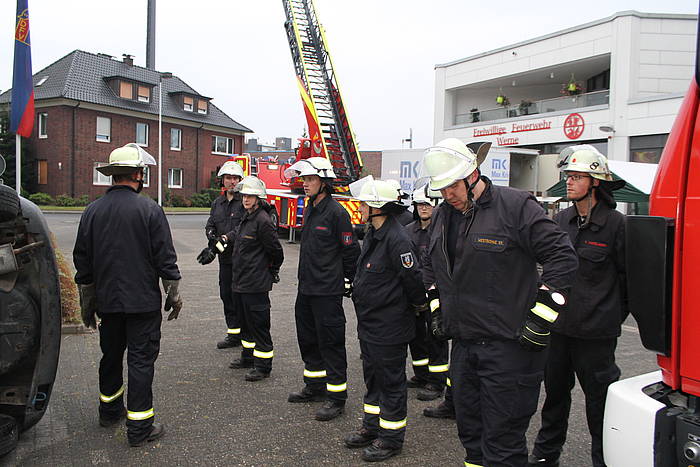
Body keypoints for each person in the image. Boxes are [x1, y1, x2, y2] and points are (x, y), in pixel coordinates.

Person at [420, 138, 578, 466]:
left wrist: (541, 319)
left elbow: (562, 257)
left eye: (453, 186)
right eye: (442, 189)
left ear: (472, 175)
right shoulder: (443, 216)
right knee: (471, 437)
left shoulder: (516, 206)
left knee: (502, 443)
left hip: (510, 350)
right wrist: (438, 308)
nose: (447, 195)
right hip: (464, 348)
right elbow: (430, 266)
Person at [73, 144, 182, 447]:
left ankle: (109, 412)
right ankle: (139, 428)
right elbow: (165, 260)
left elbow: (82, 262)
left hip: (108, 304)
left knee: (110, 356)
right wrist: (173, 296)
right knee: (140, 361)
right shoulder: (150, 210)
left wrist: (87, 303)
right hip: (142, 305)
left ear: (113, 175)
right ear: (137, 175)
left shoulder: (92, 211)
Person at [529, 146, 627, 467]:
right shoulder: (561, 220)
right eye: (568, 176)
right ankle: (546, 455)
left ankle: (604, 460)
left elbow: (629, 279)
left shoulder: (616, 225)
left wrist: (609, 316)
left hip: (596, 336)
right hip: (559, 330)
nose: (569, 182)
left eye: (576, 177)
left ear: (595, 182)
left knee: (600, 404)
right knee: (554, 397)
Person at [344, 176, 428, 463]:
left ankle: (391, 438)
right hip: (370, 324)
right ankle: (372, 427)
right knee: (374, 379)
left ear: (377, 207)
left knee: (391, 383)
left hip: (390, 327)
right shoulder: (373, 233)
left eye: (364, 204)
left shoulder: (397, 239)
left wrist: (417, 307)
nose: (360, 208)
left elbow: (412, 280)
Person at [283, 157, 360, 421]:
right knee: (308, 339)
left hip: (327, 292)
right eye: (304, 179)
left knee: (331, 344)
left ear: (324, 182)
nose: (305, 184)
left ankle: (337, 398)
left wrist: (348, 281)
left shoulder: (337, 213)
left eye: (311, 179)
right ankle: (314, 387)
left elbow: (350, 251)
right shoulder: (311, 208)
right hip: (306, 289)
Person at [224, 176, 284, 382]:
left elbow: (276, 252)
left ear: (258, 198)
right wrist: (223, 239)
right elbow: (237, 236)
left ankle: (263, 366)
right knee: (246, 324)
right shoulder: (247, 217)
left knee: (259, 326)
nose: (246, 199)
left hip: (256, 285)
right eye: (244, 196)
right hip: (241, 283)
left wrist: (270, 271)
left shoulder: (263, 221)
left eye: (250, 196)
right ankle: (248, 357)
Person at [404, 187, 449, 402]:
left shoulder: (443, 230)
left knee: (436, 335)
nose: (423, 208)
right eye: (420, 204)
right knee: (415, 336)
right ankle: (421, 375)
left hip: (435, 292)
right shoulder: (408, 231)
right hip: (414, 292)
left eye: (427, 204)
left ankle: (437, 381)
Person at [199, 159, 245, 349]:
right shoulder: (217, 203)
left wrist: (223, 240)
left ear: (240, 180)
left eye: (235, 178)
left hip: (241, 260)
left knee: (240, 298)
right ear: (222, 180)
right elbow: (211, 224)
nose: (232, 181)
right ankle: (233, 334)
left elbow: (240, 229)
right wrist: (212, 241)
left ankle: (246, 335)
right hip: (225, 260)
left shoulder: (245, 202)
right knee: (226, 295)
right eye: (228, 178)